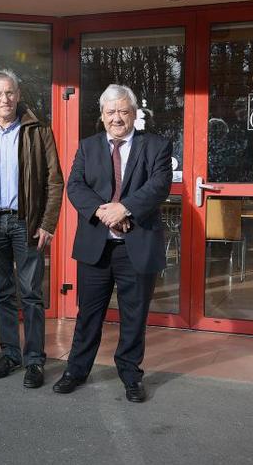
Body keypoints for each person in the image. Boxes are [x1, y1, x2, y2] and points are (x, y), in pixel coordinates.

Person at [53, 84, 171, 402]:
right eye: (110, 112)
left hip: (137, 244)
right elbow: (75, 185)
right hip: (97, 245)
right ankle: (75, 371)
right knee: (88, 313)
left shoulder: (156, 145)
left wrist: (125, 207)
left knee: (134, 316)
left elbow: (160, 185)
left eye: (122, 111)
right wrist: (104, 212)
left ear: (134, 113)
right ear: (102, 116)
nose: (116, 118)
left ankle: (131, 376)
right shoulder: (88, 147)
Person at [0, 69, 64, 389]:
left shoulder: (37, 130)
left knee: (32, 294)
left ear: (18, 94)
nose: (5, 99)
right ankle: (10, 354)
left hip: (27, 222)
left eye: (10, 93)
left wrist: (48, 223)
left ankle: (34, 359)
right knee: (2, 293)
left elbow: (54, 180)